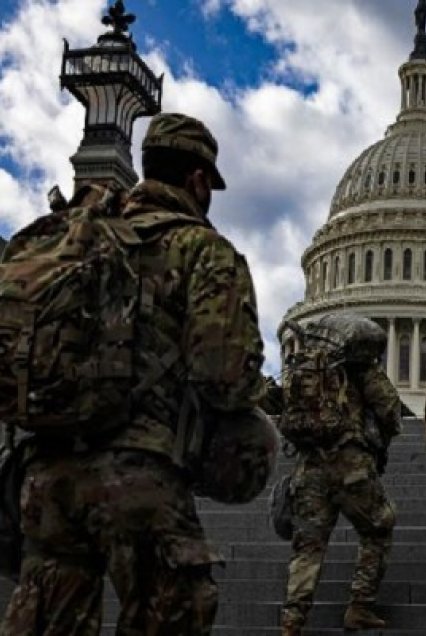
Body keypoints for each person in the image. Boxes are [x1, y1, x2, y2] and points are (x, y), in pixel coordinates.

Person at [1, 112, 267, 634]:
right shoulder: (203, 250)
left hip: (47, 475)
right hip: (139, 478)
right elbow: (225, 375)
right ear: (197, 181)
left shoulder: (79, 237)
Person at [278, 315, 401, 635]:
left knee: (308, 547)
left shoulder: (303, 367)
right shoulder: (359, 368)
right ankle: (360, 605)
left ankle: (292, 620)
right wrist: (382, 435)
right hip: (351, 466)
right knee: (378, 527)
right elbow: (389, 408)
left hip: (308, 469)